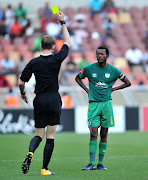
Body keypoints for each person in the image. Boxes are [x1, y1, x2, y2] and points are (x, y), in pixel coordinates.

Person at [18, 11, 70, 176]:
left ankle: (31, 152)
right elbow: (68, 41)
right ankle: (44, 169)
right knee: (51, 135)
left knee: (38, 135)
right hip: (54, 99)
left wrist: (23, 94)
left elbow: (21, 82)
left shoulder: (34, 62)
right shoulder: (57, 58)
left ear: (41, 46)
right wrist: (62, 22)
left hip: (39, 100)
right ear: (54, 47)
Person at [75, 46, 131, 170]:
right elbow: (77, 78)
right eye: (98, 54)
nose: (99, 56)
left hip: (107, 104)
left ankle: (100, 163)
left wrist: (114, 89)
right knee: (93, 133)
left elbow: (128, 83)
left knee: (104, 133)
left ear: (107, 56)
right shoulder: (89, 69)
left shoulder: (114, 71)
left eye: (102, 54)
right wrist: (86, 90)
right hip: (94, 104)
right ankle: (91, 163)